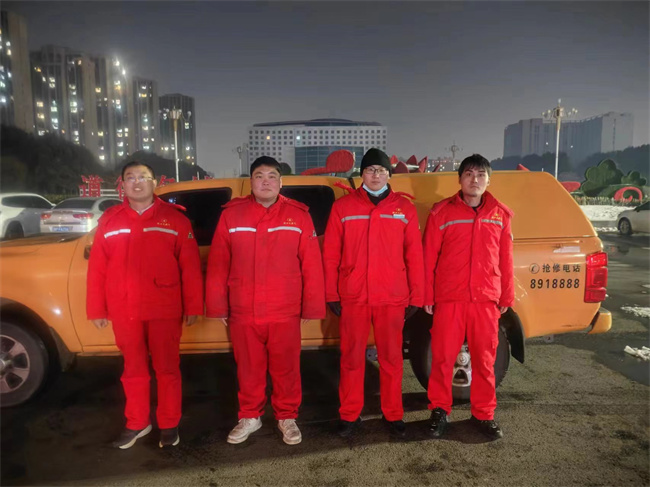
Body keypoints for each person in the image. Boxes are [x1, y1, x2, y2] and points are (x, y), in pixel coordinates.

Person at [205, 156, 325, 446]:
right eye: (259, 176)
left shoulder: (298, 215)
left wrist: (311, 305)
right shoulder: (232, 215)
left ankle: (287, 416)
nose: (266, 181)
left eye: (272, 176)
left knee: (286, 367)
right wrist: (218, 305)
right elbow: (219, 262)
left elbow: (311, 264)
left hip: (284, 308)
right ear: (251, 182)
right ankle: (250, 415)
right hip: (243, 308)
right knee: (248, 366)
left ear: (281, 182)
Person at [87, 160, 203, 449]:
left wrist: (193, 306)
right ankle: (137, 422)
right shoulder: (110, 220)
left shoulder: (175, 220)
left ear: (154, 183)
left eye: (143, 177)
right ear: (123, 185)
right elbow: (97, 268)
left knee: (167, 369)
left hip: (164, 306)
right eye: (130, 177)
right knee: (133, 370)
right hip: (124, 308)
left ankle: (169, 424)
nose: (137, 182)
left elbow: (190, 267)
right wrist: (97, 308)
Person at [322, 148, 425, 438]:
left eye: (381, 170)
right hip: (353, 296)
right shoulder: (343, 208)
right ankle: (349, 414)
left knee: (391, 359)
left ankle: (393, 414)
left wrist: (416, 296)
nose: (376, 175)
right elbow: (330, 254)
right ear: (362, 174)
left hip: (391, 297)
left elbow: (414, 256)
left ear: (389, 175)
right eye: (370, 170)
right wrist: (331, 293)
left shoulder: (403, 209)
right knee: (351, 359)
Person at [422, 153, 514, 440]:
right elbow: (428, 257)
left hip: (485, 300)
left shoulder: (500, 214)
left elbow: (506, 259)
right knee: (443, 358)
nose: (475, 180)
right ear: (460, 179)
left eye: (481, 175)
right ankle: (439, 410)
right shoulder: (441, 213)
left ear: (489, 180)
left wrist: (506, 296)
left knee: (484, 360)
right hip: (450, 298)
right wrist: (427, 294)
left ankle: (484, 414)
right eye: (469, 174)